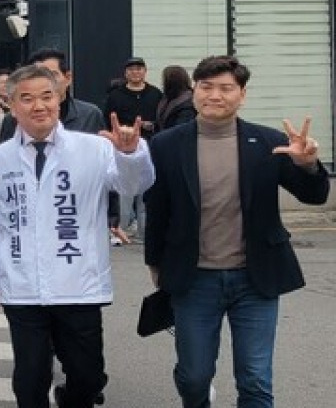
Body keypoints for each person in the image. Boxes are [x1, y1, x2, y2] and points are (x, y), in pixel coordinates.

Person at [144, 55, 329, 408]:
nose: (216, 95)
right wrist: (155, 263)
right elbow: (158, 209)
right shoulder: (167, 145)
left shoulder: (268, 141)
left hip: (255, 279)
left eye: (226, 88)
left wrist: (306, 165)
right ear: (194, 90)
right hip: (194, 278)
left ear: (242, 94)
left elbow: (315, 195)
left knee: (256, 380)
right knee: (194, 377)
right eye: (207, 86)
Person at [0, 65, 153, 408]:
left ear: (60, 97)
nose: (38, 106)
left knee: (88, 376)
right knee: (29, 378)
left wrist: (129, 154)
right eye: (26, 98)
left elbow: (132, 186)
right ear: (11, 104)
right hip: (22, 286)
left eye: (46, 96)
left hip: (78, 285)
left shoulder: (94, 148)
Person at [103, 57, 163, 241]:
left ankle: (144, 230)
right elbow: (108, 120)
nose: (135, 72)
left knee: (147, 186)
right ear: (125, 73)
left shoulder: (155, 94)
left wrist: (152, 125)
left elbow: (161, 119)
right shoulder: (116, 95)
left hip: (149, 145)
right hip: (122, 147)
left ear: (145, 72)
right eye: (131, 69)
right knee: (124, 188)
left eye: (139, 69)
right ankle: (123, 226)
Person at [0, 49, 106, 143]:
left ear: (68, 78)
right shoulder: (14, 118)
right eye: (39, 76)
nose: (46, 81)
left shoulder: (90, 115)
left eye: (52, 74)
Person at [155, 65, 196, 131]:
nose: (162, 83)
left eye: (164, 80)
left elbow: (181, 130)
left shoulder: (187, 105)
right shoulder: (167, 98)